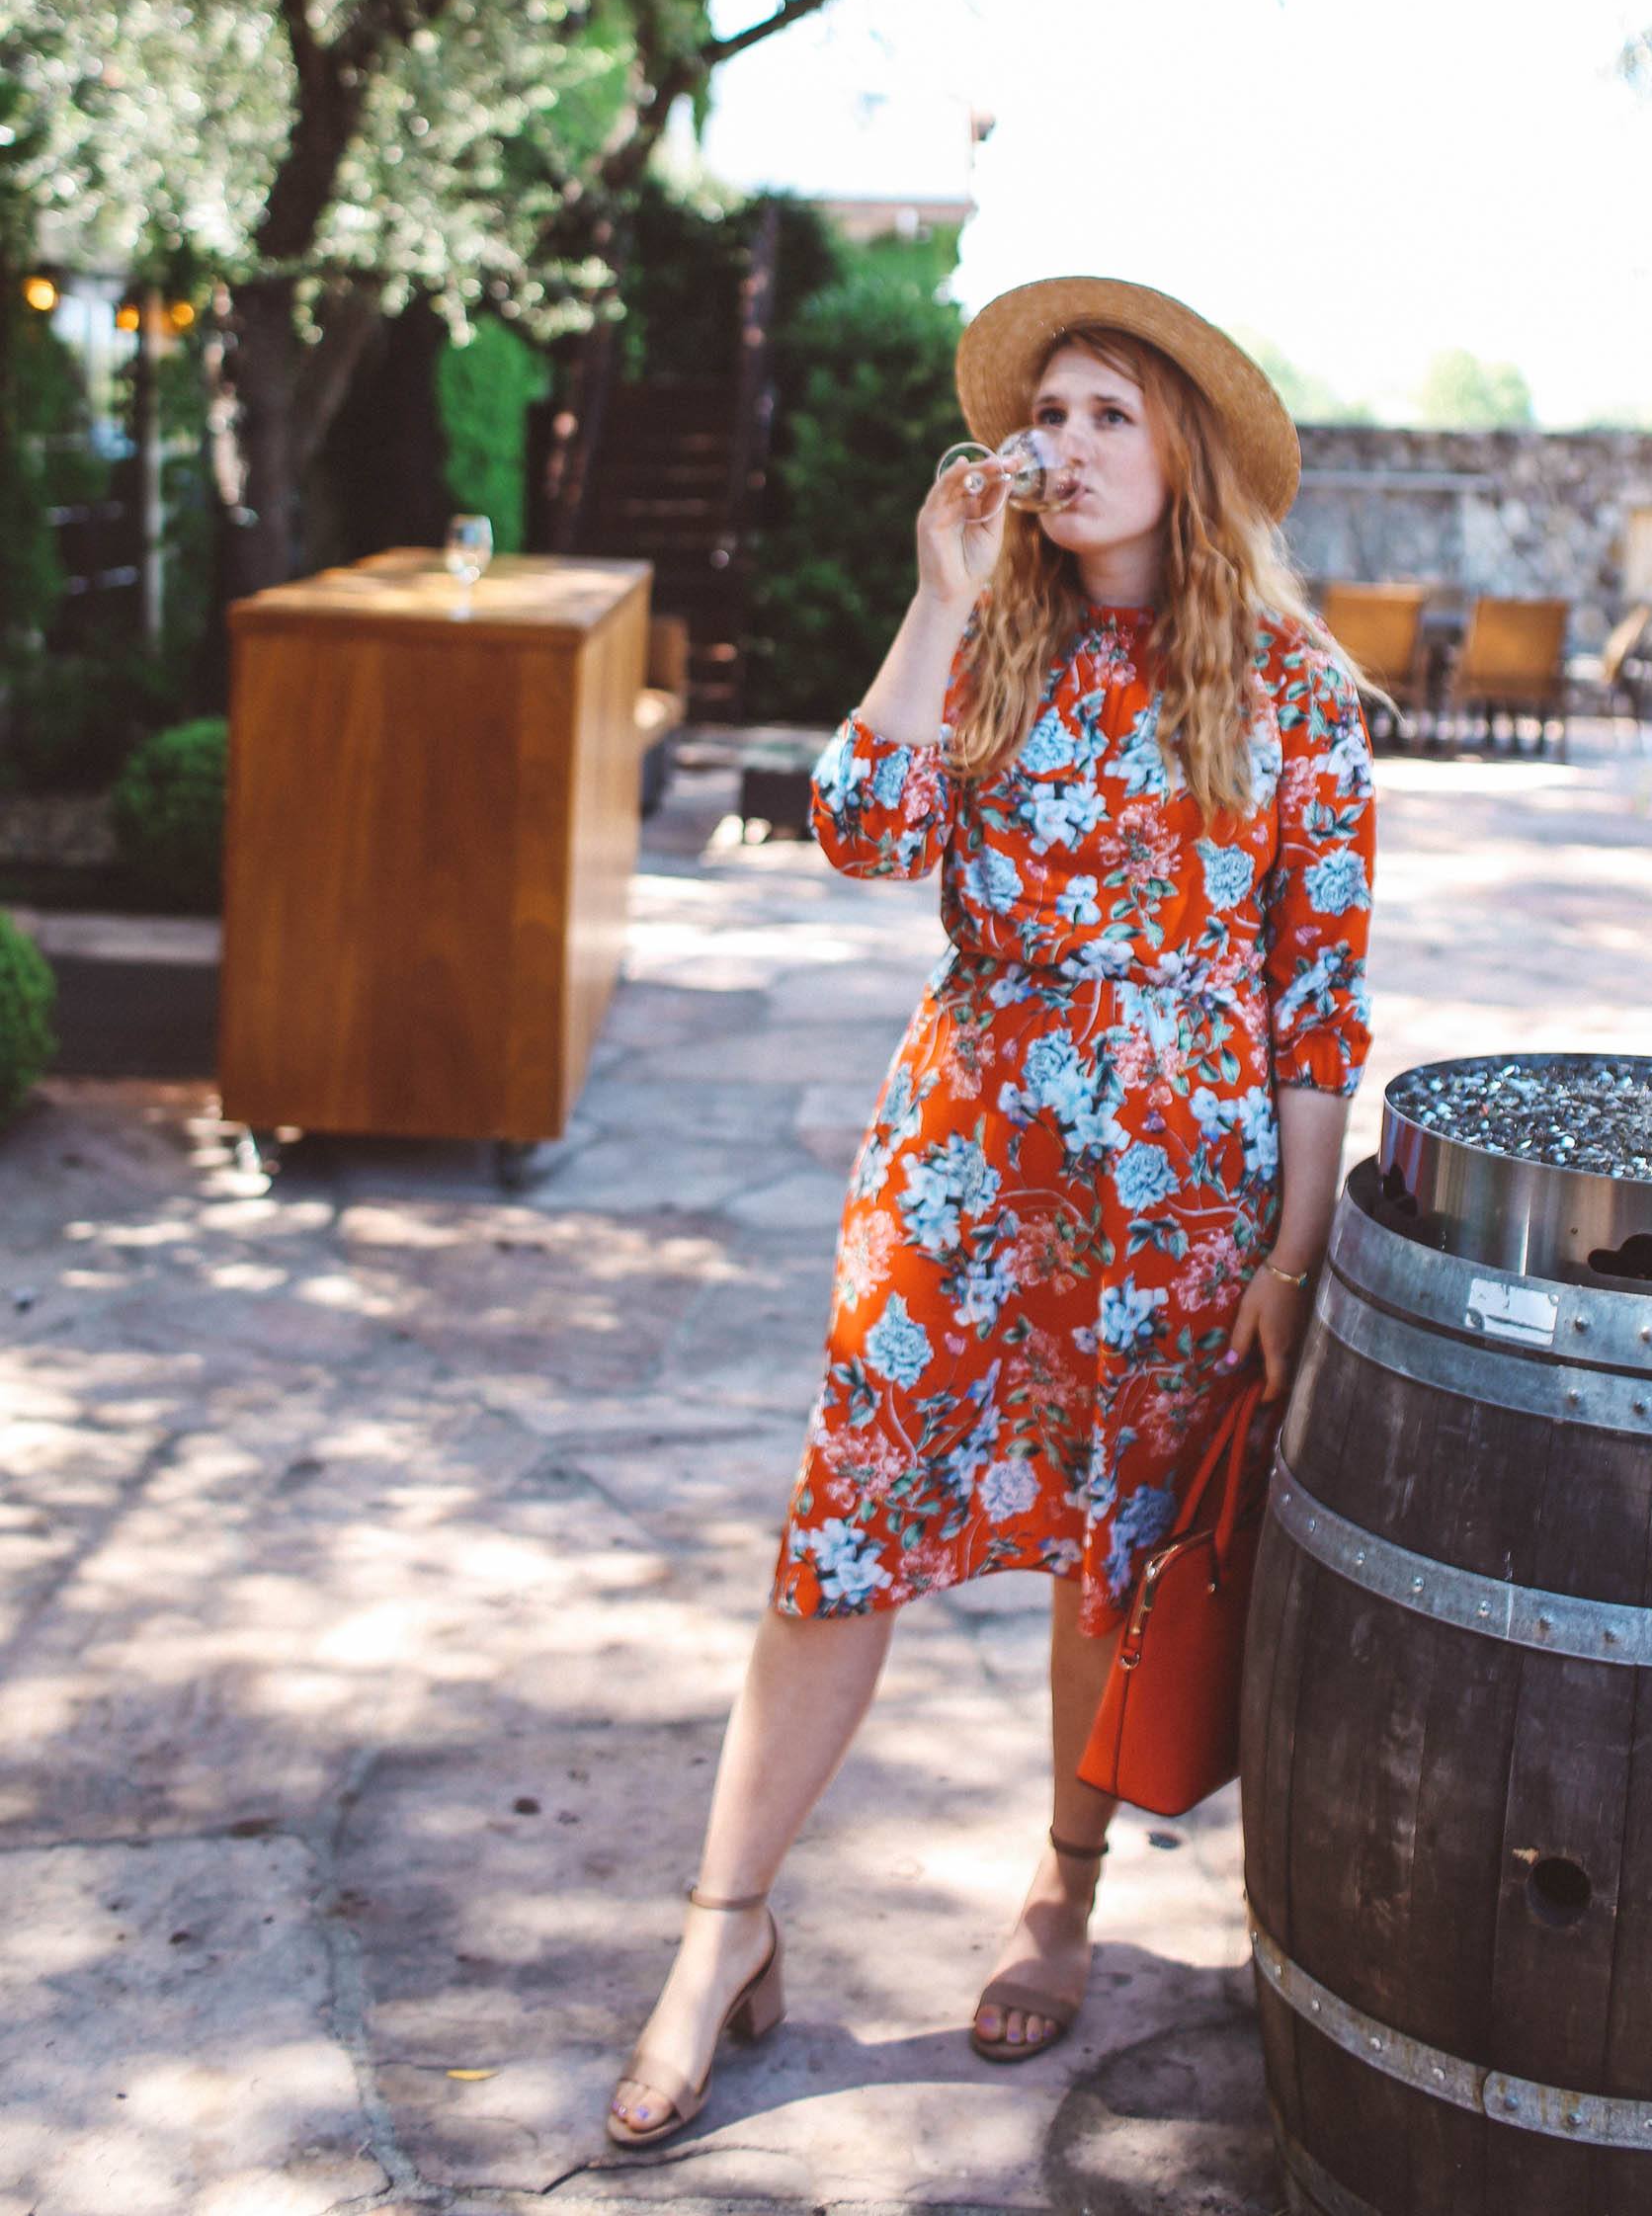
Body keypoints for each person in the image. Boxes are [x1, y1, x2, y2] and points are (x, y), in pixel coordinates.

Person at [605, 276, 1374, 2150]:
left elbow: (1316, 1004)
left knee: (1114, 1550)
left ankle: (1063, 1887)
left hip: (1178, 1209)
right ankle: (721, 1931)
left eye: (1112, 413)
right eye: (1049, 414)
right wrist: (939, 599)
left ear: (1184, 446)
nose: (1069, 446)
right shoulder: (994, 637)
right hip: (961, 1168)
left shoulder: (1294, 695)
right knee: (843, 1535)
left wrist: (1292, 1254)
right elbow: (857, 830)